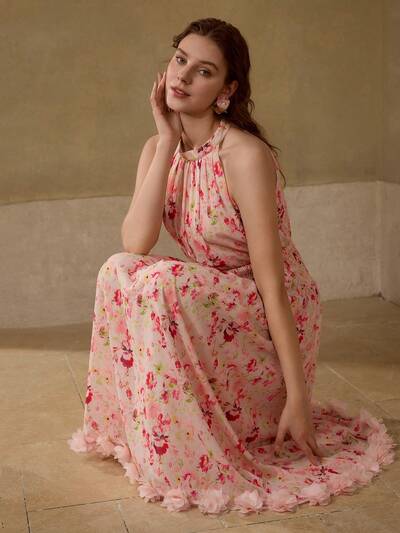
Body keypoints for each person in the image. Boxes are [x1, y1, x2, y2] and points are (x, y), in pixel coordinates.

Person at [68, 18, 396, 516]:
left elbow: (273, 284)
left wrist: (299, 396)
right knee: (119, 268)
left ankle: (246, 414)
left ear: (226, 91)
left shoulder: (244, 155)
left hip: (267, 310)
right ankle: (133, 427)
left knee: (159, 281)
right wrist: (165, 140)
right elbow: (135, 242)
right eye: (180, 60)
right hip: (220, 302)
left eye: (203, 71)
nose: (182, 76)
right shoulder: (158, 148)